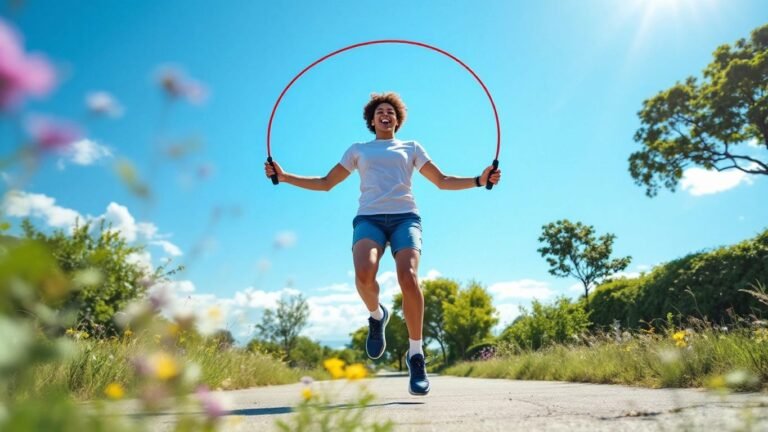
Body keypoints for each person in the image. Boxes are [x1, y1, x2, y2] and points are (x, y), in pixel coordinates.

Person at [264, 92, 501, 395]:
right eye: (379, 112)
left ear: (397, 119)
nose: (385, 115)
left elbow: (442, 181)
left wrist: (480, 180)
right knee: (364, 274)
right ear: (372, 120)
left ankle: (416, 355)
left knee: (409, 278)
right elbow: (325, 183)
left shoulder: (411, 147)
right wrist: (284, 177)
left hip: (406, 219)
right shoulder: (358, 150)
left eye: (390, 111)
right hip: (370, 219)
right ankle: (377, 316)